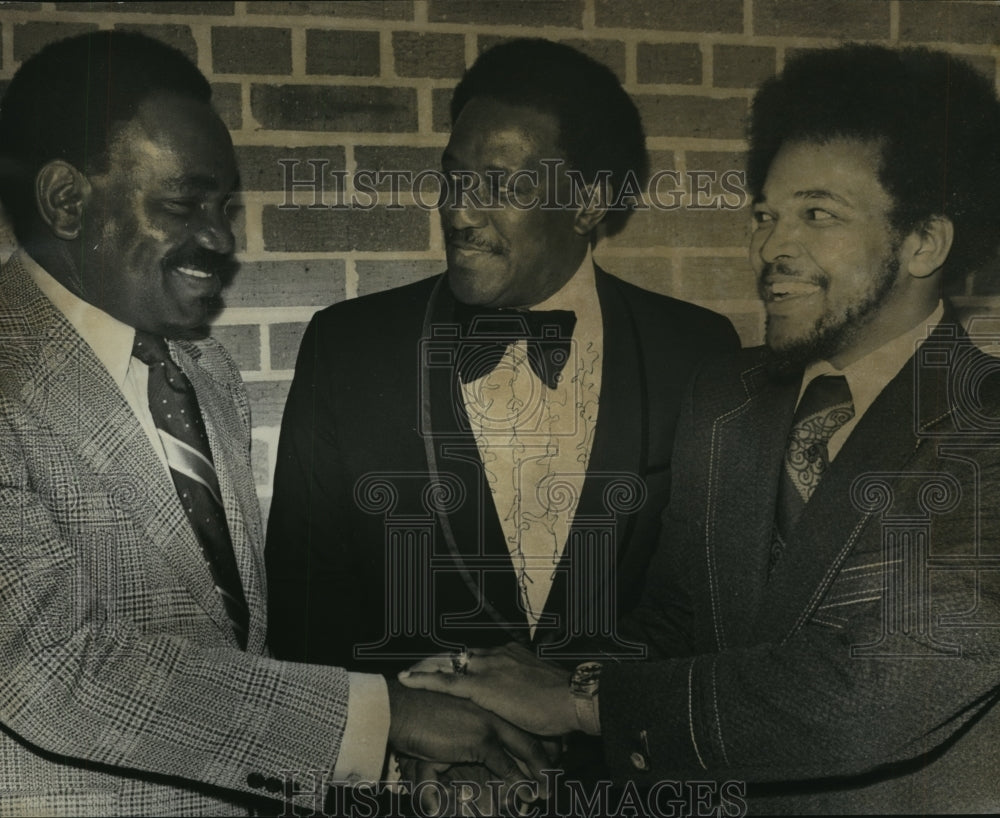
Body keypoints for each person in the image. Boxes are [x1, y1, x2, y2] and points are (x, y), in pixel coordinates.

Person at [399, 44, 1000, 813]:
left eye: (818, 214)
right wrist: (497, 709)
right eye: (765, 216)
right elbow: (678, 619)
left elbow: (871, 691)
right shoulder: (726, 397)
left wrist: (581, 704)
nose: (771, 247)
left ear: (926, 242)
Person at [0, 31, 551, 816]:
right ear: (65, 200)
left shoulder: (206, 376)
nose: (221, 239)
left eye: (224, 207)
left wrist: (398, 755)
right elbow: (56, 670)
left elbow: (234, 659)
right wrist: (382, 718)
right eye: (184, 203)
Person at [265, 38, 739, 680]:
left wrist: (581, 709)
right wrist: (403, 727)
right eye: (454, 176)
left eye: (500, 185)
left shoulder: (697, 351)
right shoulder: (345, 346)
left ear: (589, 202)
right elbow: (304, 612)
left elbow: (712, 610)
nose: (459, 211)